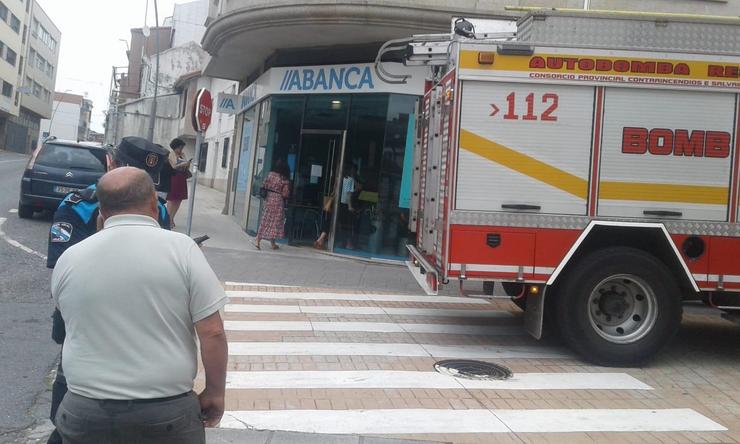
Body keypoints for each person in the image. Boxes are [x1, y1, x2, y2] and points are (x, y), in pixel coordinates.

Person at [51, 167, 228, 443]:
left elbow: (68, 320)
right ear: (154, 207)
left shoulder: (70, 258)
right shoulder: (182, 249)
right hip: (165, 414)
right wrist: (215, 392)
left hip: (85, 412)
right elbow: (212, 331)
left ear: (103, 211)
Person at [45, 136, 172, 444]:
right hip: (115, 324)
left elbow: (62, 274)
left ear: (110, 162)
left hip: (98, 327)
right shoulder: (82, 206)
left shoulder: (76, 205)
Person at [254, 159, 290, 250]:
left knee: (265, 220)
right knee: (275, 222)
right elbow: (285, 194)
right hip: (278, 201)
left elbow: (264, 185)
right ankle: (272, 242)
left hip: (269, 199)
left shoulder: (270, 175)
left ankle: (258, 240)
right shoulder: (284, 179)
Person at [166, 138, 192, 228]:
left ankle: (172, 218)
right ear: (175, 147)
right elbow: (173, 166)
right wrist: (181, 164)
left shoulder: (183, 154)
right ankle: (168, 219)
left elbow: (186, 166)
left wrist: (187, 164)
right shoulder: (171, 154)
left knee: (179, 199)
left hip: (182, 177)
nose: (181, 149)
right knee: (172, 199)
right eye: (180, 147)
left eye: (182, 147)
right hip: (174, 177)